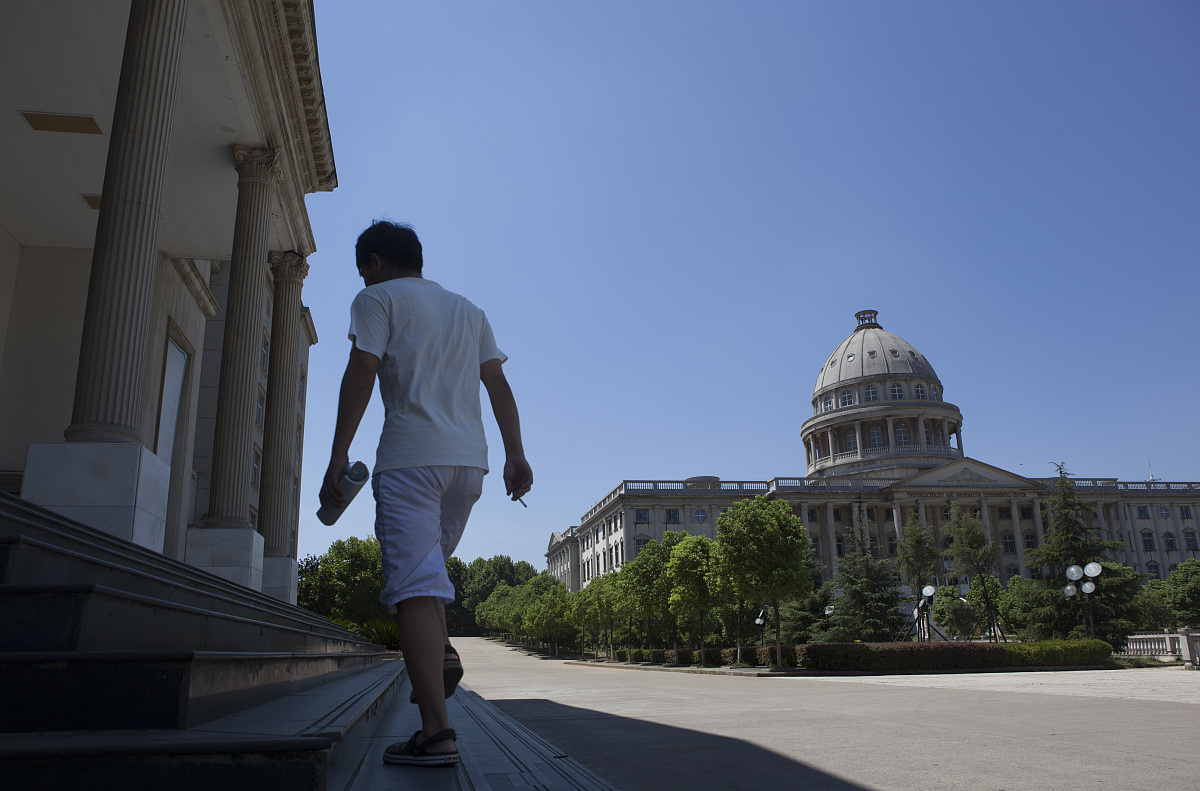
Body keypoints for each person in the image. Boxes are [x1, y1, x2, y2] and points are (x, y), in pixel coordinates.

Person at [319, 220, 532, 768]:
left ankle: (435, 733)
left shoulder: (375, 299)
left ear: (373, 262)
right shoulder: (469, 310)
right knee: (428, 577)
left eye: (364, 268)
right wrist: (516, 454)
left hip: (411, 460)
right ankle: (439, 650)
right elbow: (498, 385)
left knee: (414, 585)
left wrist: (338, 454)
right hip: (470, 466)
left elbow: (362, 371)